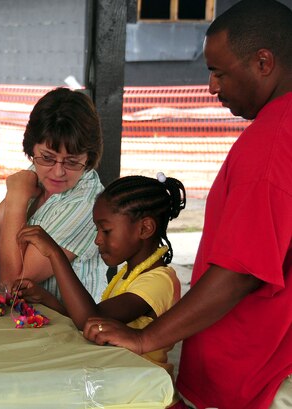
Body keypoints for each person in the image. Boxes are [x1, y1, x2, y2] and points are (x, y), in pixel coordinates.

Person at [83, 1, 292, 408]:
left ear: (263, 62)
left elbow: (240, 271)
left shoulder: (271, 142)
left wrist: (147, 338)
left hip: (257, 374)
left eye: (218, 72)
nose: (212, 87)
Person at [15, 174, 185, 375]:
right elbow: (94, 321)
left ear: (145, 228)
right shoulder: (128, 274)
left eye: (106, 231)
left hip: (143, 390)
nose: (97, 240)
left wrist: (55, 254)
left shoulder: (159, 281)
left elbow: (89, 318)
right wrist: (47, 299)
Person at [0, 87, 107, 301]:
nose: (58, 171)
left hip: (65, 328)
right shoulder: (36, 173)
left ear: (89, 158)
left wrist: (17, 199)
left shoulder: (87, 205)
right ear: (31, 148)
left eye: (72, 162)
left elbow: (13, 283)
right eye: (47, 157)